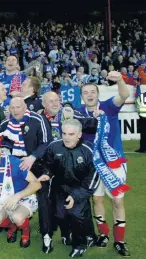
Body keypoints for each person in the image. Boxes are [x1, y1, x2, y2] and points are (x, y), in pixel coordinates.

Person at [77, 71, 131, 256]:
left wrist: (120, 80)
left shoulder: (108, 107)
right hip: (93, 165)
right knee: (97, 199)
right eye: (86, 92)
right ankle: (104, 234)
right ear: (82, 96)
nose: (90, 95)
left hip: (114, 163)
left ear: (97, 94)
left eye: (93, 92)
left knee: (117, 201)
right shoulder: (78, 114)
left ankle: (120, 240)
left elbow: (124, 95)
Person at [0, 97, 53, 252]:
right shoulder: (5, 124)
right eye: (12, 107)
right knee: (7, 192)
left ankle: (46, 234)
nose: (15, 110)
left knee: (42, 196)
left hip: (36, 164)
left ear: (25, 106)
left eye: (18, 107)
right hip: (14, 166)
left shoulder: (38, 119)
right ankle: (14, 224)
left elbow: (46, 143)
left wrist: (32, 157)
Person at [42, 119, 99, 257]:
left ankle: (80, 244)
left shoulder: (89, 151)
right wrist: (47, 174)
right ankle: (69, 234)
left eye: (71, 134)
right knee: (60, 214)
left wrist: (76, 195)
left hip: (80, 188)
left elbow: (92, 180)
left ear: (79, 135)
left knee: (77, 214)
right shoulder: (54, 146)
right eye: (64, 133)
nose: (66, 137)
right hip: (59, 187)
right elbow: (47, 165)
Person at [0, 134, 41, 247]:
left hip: (24, 196)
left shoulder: (15, 163)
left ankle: (25, 231)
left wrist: (17, 196)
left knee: (17, 217)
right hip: (5, 196)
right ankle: (13, 227)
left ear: (0, 150)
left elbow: (36, 184)